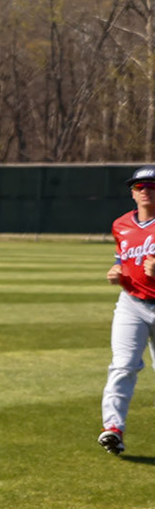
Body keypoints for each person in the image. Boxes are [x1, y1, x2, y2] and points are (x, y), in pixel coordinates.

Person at [99, 164, 155, 455]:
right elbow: (122, 259)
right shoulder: (121, 224)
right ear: (133, 193)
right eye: (139, 187)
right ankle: (113, 429)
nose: (146, 191)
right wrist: (116, 271)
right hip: (131, 304)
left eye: (152, 186)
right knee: (122, 366)